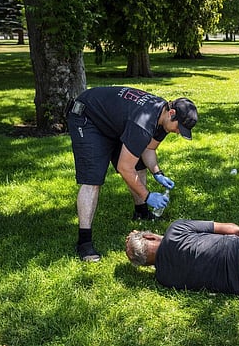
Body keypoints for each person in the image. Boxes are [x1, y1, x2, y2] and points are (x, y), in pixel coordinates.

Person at [67, 86, 198, 262]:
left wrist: (158, 173)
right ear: (171, 113)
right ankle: (84, 242)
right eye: (178, 127)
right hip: (88, 117)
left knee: (139, 164)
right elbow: (124, 168)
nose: (178, 131)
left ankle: (141, 212)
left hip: (113, 122)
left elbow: (149, 148)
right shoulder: (143, 123)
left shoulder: (162, 116)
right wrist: (147, 195)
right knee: (93, 179)